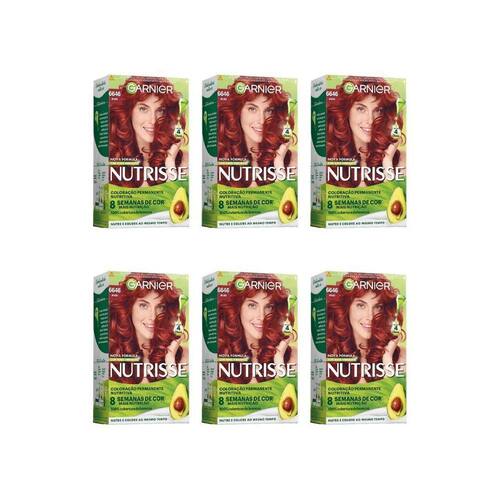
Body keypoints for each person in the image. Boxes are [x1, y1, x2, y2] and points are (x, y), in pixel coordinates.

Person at [327, 76, 405, 187]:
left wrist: (387, 161)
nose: (370, 120)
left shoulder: (400, 160)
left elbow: (395, 197)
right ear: (346, 112)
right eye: (361, 109)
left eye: (378, 110)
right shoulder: (329, 157)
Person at [327, 273, 406, 384]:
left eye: (378, 307)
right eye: (361, 305)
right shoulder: (330, 354)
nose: (370, 317)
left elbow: (395, 393)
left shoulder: (401, 357)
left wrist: (387, 357)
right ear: (346, 308)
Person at [109, 76, 188, 187]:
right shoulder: (112, 159)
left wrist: (170, 161)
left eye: (160, 110)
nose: (153, 120)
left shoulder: (183, 160)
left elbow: (179, 197)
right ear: (129, 111)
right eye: (143, 109)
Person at [218, 76, 297, 187]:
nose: (262, 121)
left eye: (269, 110)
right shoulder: (220, 157)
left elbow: (287, 196)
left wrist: (278, 162)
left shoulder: (292, 160)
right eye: (252, 109)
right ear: (237, 111)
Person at [109, 273, 188, 384]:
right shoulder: (111, 354)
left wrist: (170, 357)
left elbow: (178, 394)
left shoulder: (184, 356)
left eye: (160, 307)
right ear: (129, 308)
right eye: (144, 305)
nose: (153, 317)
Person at [218, 273, 297, 383]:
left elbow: (286, 392)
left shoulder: (292, 356)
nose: (262, 317)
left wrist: (278, 357)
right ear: (238, 308)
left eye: (269, 307)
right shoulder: (220, 354)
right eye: (252, 305)